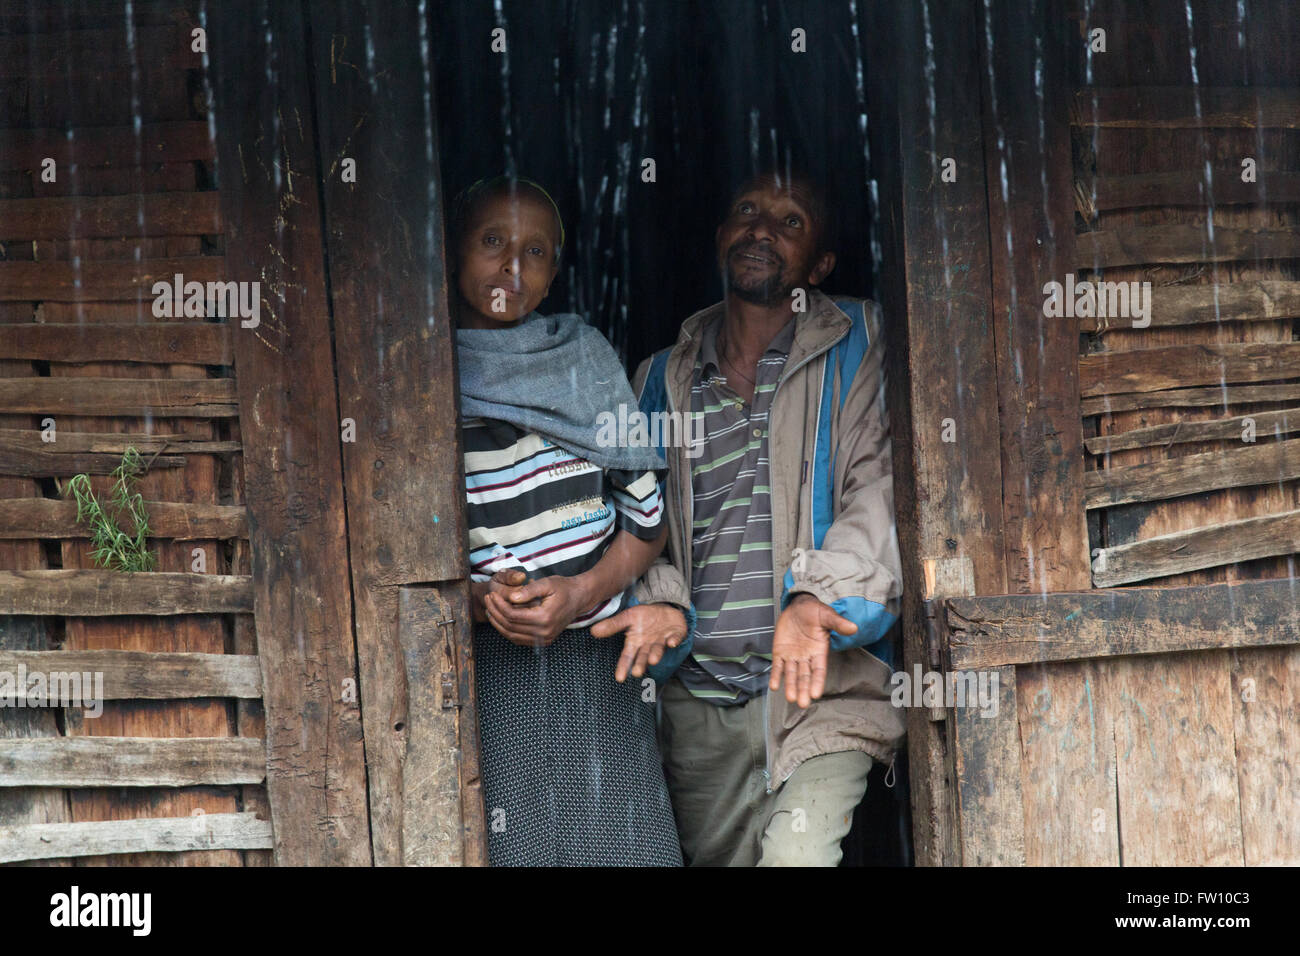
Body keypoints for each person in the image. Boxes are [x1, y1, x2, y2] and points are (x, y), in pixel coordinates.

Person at [598, 167, 905, 866]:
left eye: (791, 220)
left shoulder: (858, 342)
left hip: (824, 690)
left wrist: (813, 599)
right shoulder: (659, 379)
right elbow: (636, 522)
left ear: (821, 264)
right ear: (719, 238)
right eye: (747, 211)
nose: (762, 229)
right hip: (700, 706)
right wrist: (662, 601)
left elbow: (879, 489)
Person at [451, 175, 683, 866]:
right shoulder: (415, 373)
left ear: (553, 276)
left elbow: (649, 524)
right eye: (493, 242)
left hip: (601, 659)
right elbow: (389, 556)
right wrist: (483, 602)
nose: (511, 268)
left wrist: (581, 592)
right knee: (511, 844)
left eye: (536, 252)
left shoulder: (585, 363)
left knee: (623, 846)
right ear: (452, 253)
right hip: (483, 663)